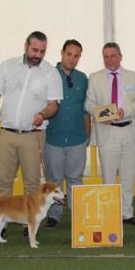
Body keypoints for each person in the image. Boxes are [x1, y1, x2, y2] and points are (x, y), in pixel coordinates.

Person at [0, 31, 62, 201]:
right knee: (3, 182)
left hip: (33, 135)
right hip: (6, 133)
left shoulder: (50, 72)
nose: (38, 55)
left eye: (42, 51)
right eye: (35, 50)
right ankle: (1, 224)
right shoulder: (7, 65)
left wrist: (42, 114)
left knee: (32, 183)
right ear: (26, 46)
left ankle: (30, 224)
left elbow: (53, 105)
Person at [85, 42, 135, 225]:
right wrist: (101, 115)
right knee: (108, 176)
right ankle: (110, 213)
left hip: (129, 130)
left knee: (128, 175)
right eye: (106, 56)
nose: (109, 59)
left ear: (120, 56)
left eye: (113, 55)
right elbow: (88, 103)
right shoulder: (94, 78)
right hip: (107, 132)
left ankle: (127, 213)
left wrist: (126, 111)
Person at [43, 40, 90, 228]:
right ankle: (54, 214)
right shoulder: (48, 75)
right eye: (69, 54)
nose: (72, 58)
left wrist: (88, 134)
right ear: (61, 53)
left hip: (78, 138)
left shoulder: (83, 78)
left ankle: (77, 214)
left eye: (76, 55)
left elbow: (85, 108)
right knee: (54, 180)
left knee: (75, 179)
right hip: (53, 137)